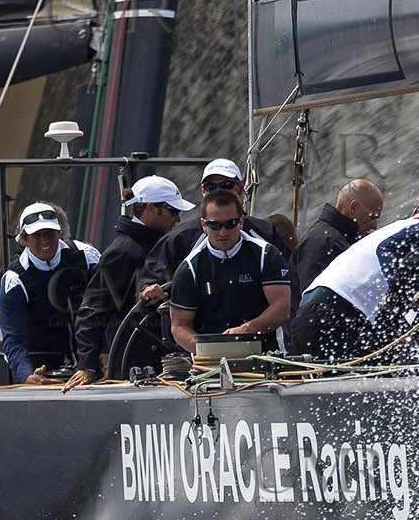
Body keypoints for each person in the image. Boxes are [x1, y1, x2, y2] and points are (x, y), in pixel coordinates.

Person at [63, 175, 191, 391]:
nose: (178, 218)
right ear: (151, 208)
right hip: (135, 366)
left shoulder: (165, 246)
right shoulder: (122, 252)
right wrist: (87, 366)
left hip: (166, 361)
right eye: (173, 211)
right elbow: (91, 310)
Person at [137, 158, 294, 305]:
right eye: (210, 187)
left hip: (256, 321)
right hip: (199, 322)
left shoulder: (265, 233)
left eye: (226, 185)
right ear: (202, 191)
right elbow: (153, 278)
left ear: (240, 186)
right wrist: (149, 290)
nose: (223, 232)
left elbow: (290, 281)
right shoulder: (180, 238)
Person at [288, 203, 419, 361]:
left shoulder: (395, 230)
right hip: (331, 314)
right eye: (372, 217)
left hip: (314, 311)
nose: (374, 225)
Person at [167, 190, 291, 354]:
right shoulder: (190, 267)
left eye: (230, 224)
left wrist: (247, 329)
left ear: (241, 222)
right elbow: (179, 326)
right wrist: (207, 350)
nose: (223, 232)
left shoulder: (265, 255)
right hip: (210, 357)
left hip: (263, 351)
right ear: (204, 226)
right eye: (215, 225)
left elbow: (282, 308)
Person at [0, 202, 102, 383]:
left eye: (49, 234)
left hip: (94, 366)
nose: (44, 241)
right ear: (24, 239)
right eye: (37, 236)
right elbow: (13, 340)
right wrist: (28, 376)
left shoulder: (87, 258)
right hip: (43, 372)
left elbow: (108, 310)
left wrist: (105, 352)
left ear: (59, 233)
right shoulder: (14, 281)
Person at [292, 179, 384, 289]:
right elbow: (313, 295)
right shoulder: (321, 242)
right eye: (372, 217)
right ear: (353, 207)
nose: (374, 226)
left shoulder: (339, 239)